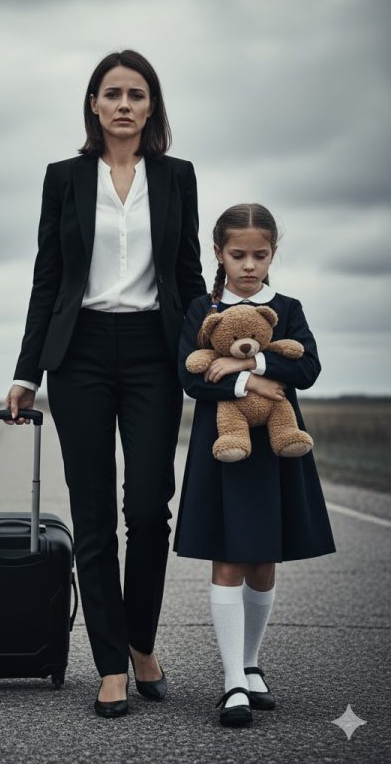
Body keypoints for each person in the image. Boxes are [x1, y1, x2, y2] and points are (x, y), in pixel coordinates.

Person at [6, 50, 206, 717]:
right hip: (80, 355)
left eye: (136, 94)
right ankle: (112, 663)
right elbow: (48, 278)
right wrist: (26, 370)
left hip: (153, 352)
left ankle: (141, 640)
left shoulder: (177, 177)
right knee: (93, 518)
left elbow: (188, 275)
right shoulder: (64, 178)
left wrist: (208, 352)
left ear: (152, 107)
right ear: (93, 104)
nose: (124, 104)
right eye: (112, 93)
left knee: (148, 508)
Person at [174, 203, 335, 726]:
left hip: (274, 449)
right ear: (218, 253)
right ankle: (233, 683)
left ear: (272, 255)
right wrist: (253, 384)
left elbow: (307, 367)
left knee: (263, 562)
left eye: (260, 255)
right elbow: (192, 377)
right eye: (238, 254)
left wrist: (247, 363)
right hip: (223, 447)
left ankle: (251, 663)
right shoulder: (201, 309)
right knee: (227, 558)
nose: (249, 265)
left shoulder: (286, 308)